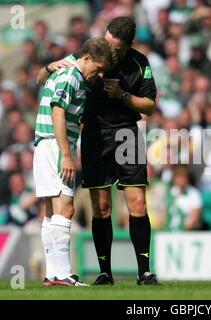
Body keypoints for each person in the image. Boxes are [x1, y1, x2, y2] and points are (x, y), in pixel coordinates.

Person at [37, 17, 160, 286]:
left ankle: (145, 272)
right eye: (107, 41)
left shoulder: (140, 63)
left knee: (137, 203)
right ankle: (105, 273)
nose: (109, 48)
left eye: (115, 46)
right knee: (101, 206)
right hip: (93, 133)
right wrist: (48, 67)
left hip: (127, 132)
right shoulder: (91, 52)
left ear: (129, 45)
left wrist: (123, 96)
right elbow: (42, 78)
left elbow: (150, 105)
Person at [33, 36, 116, 287]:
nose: (99, 75)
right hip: (56, 145)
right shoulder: (72, 75)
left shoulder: (64, 67)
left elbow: (40, 79)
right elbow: (58, 110)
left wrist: (47, 67)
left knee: (51, 211)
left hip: (44, 143)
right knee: (66, 209)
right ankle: (64, 273)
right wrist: (67, 155)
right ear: (87, 58)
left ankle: (52, 274)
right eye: (98, 69)